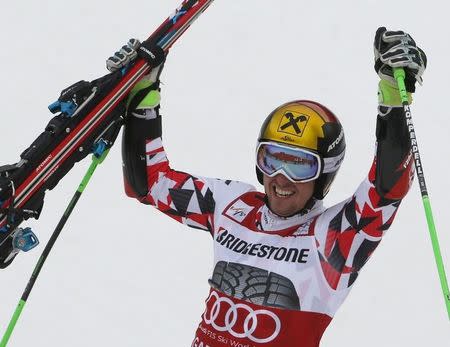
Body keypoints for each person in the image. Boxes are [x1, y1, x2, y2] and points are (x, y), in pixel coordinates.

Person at [108, 27, 426, 347]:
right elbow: (149, 182)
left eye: (301, 165)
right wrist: (143, 93)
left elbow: (386, 189)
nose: (282, 177)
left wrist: (394, 96)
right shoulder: (232, 206)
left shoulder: (333, 237)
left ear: (324, 176)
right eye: (272, 159)